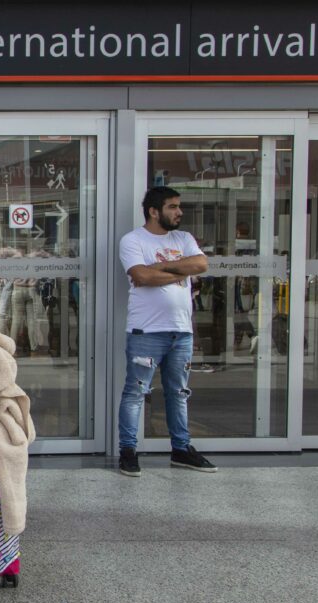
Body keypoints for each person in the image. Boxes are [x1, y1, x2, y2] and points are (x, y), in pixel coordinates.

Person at [117, 186, 216, 477]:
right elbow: (141, 276)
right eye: (172, 207)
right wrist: (181, 271)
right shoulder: (133, 240)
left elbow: (201, 263)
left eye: (178, 206)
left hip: (181, 331)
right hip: (146, 331)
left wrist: (165, 266)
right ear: (154, 211)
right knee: (136, 392)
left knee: (179, 393)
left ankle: (181, 450)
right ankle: (128, 451)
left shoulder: (184, 238)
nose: (179, 212)